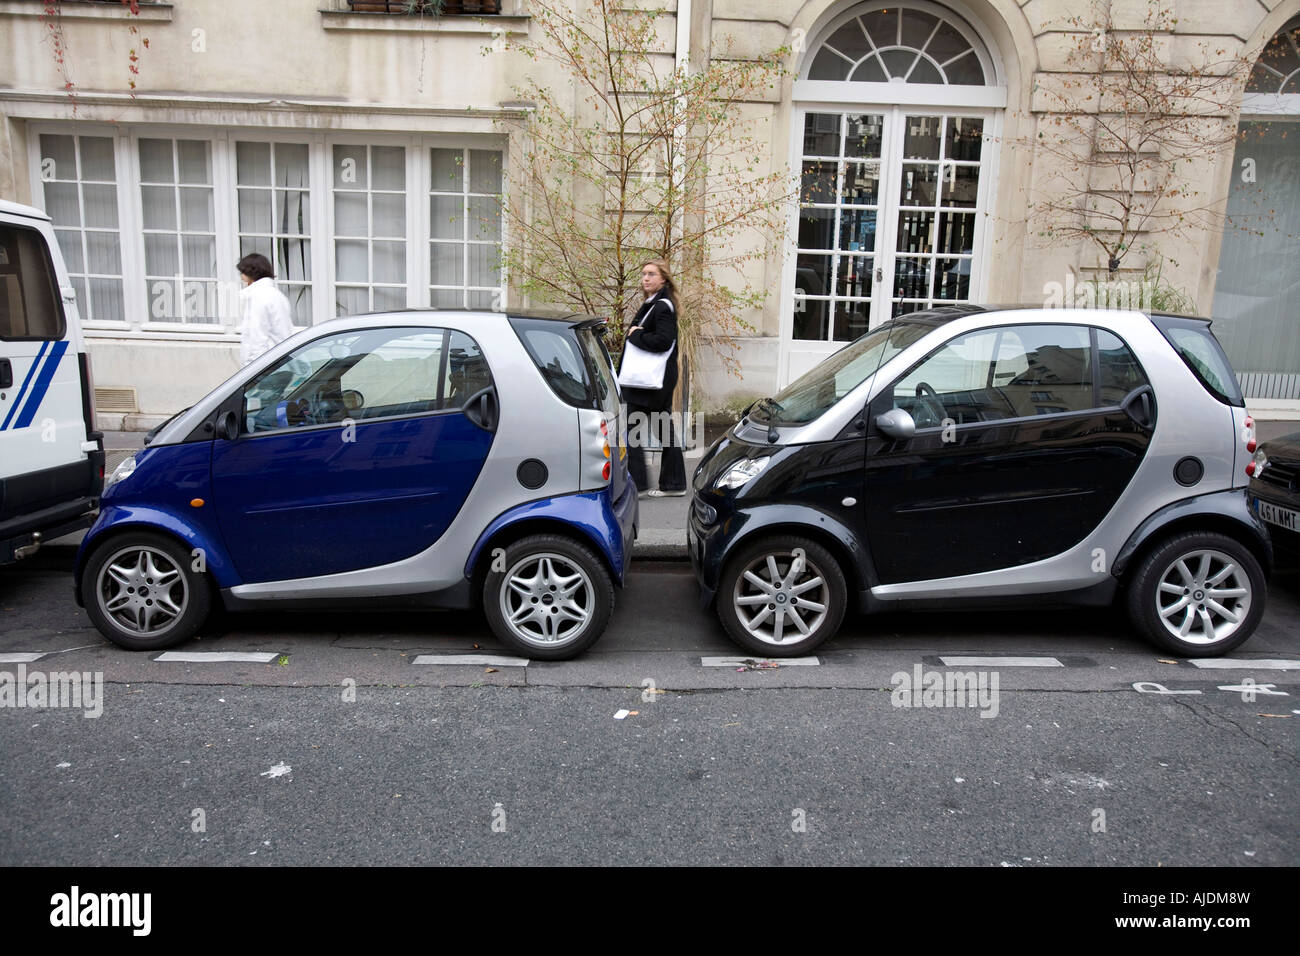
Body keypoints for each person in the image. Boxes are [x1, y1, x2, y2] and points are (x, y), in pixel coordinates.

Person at [620, 259, 686, 497]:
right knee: (661, 429)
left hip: (650, 383)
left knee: (631, 429)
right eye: (643, 274)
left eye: (651, 274)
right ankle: (674, 484)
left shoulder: (661, 307)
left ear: (663, 279)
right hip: (651, 382)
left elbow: (663, 341)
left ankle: (638, 485)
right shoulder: (653, 304)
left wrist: (635, 336)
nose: (645, 278)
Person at [237, 253, 294, 367]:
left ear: (250, 273)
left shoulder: (259, 296)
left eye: (242, 272)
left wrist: (250, 369)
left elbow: (257, 336)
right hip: (279, 360)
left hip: (265, 365)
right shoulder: (276, 295)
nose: (241, 276)